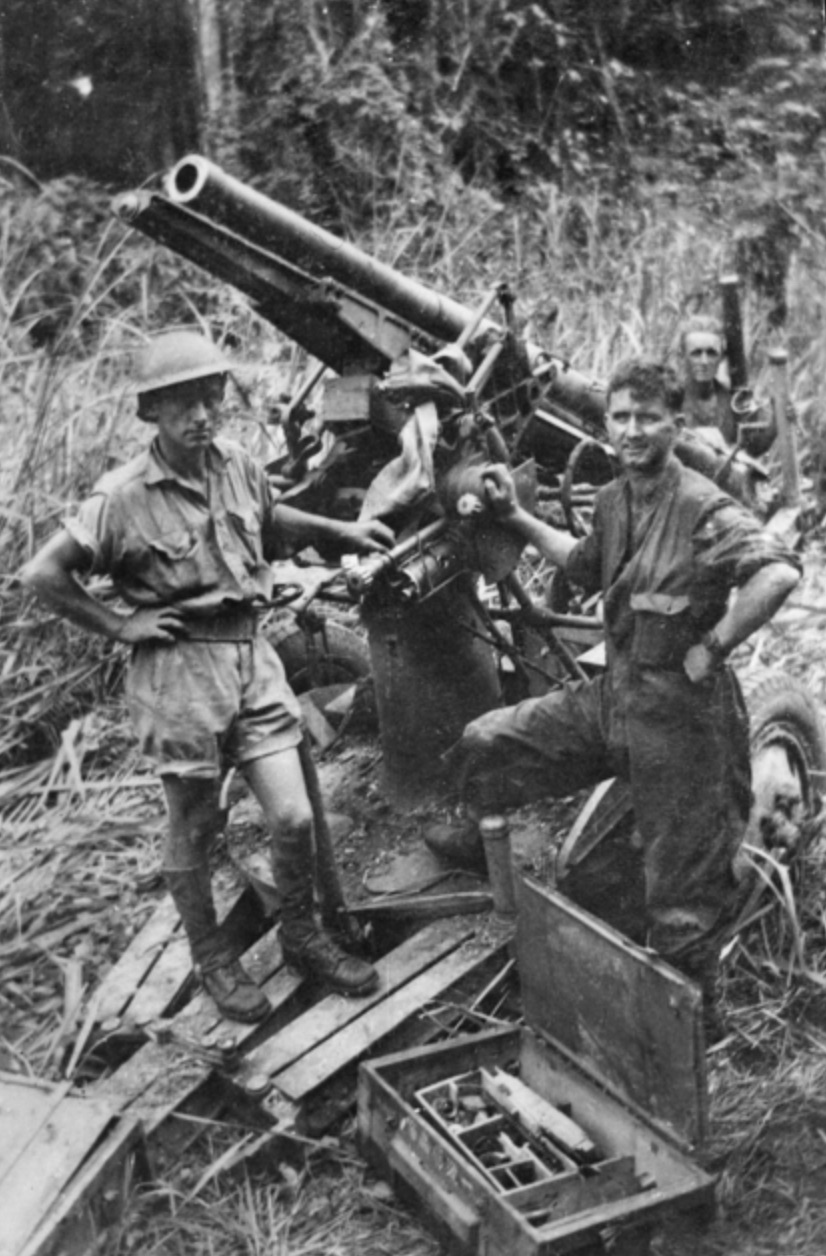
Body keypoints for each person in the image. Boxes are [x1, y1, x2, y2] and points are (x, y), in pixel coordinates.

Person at [20, 330, 395, 1022]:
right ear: (153, 412)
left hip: (252, 658)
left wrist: (339, 533)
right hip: (179, 673)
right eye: (184, 402)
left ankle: (302, 936)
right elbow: (43, 573)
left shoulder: (236, 463)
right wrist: (119, 625)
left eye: (210, 397)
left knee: (293, 813)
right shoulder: (122, 497)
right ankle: (214, 958)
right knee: (194, 826)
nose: (202, 414)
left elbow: (269, 516)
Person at [426, 357, 800, 1024]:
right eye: (621, 417)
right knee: (488, 743)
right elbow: (580, 562)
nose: (632, 430)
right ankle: (485, 859)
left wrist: (712, 647)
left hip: (683, 722)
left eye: (648, 419)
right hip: (615, 697)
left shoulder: (702, 507)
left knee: (679, 909)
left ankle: (694, 1029)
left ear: (675, 425)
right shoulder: (612, 497)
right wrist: (514, 515)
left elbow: (777, 575)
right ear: (607, 425)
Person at [679, 313, 775, 457]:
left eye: (711, 353)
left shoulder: (732, 399)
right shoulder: (671, 397)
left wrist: (777, 421)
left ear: (721, 357)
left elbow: (753, 449)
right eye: (696, 353)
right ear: (683, 356)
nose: (704, 361)